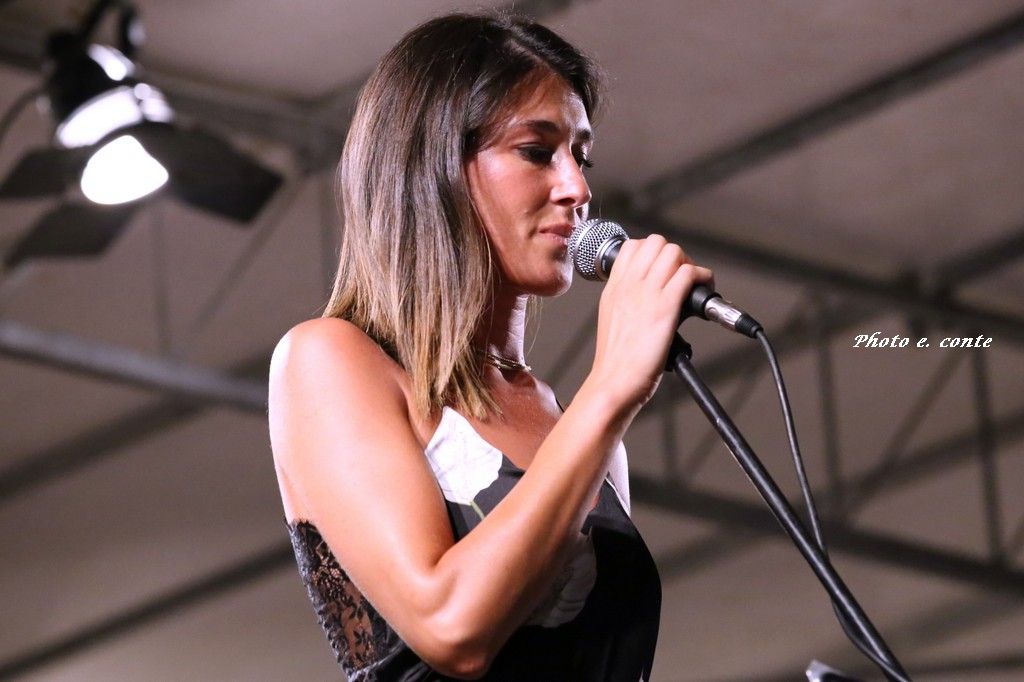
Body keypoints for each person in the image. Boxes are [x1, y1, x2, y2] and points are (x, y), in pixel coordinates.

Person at [268, 11, 712, 681]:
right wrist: (613, 385)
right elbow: (452, 629)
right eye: (537, 151)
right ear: (434, 167)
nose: (578, 188)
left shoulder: (578, 427)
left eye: (582, 157)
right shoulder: (329, 360)